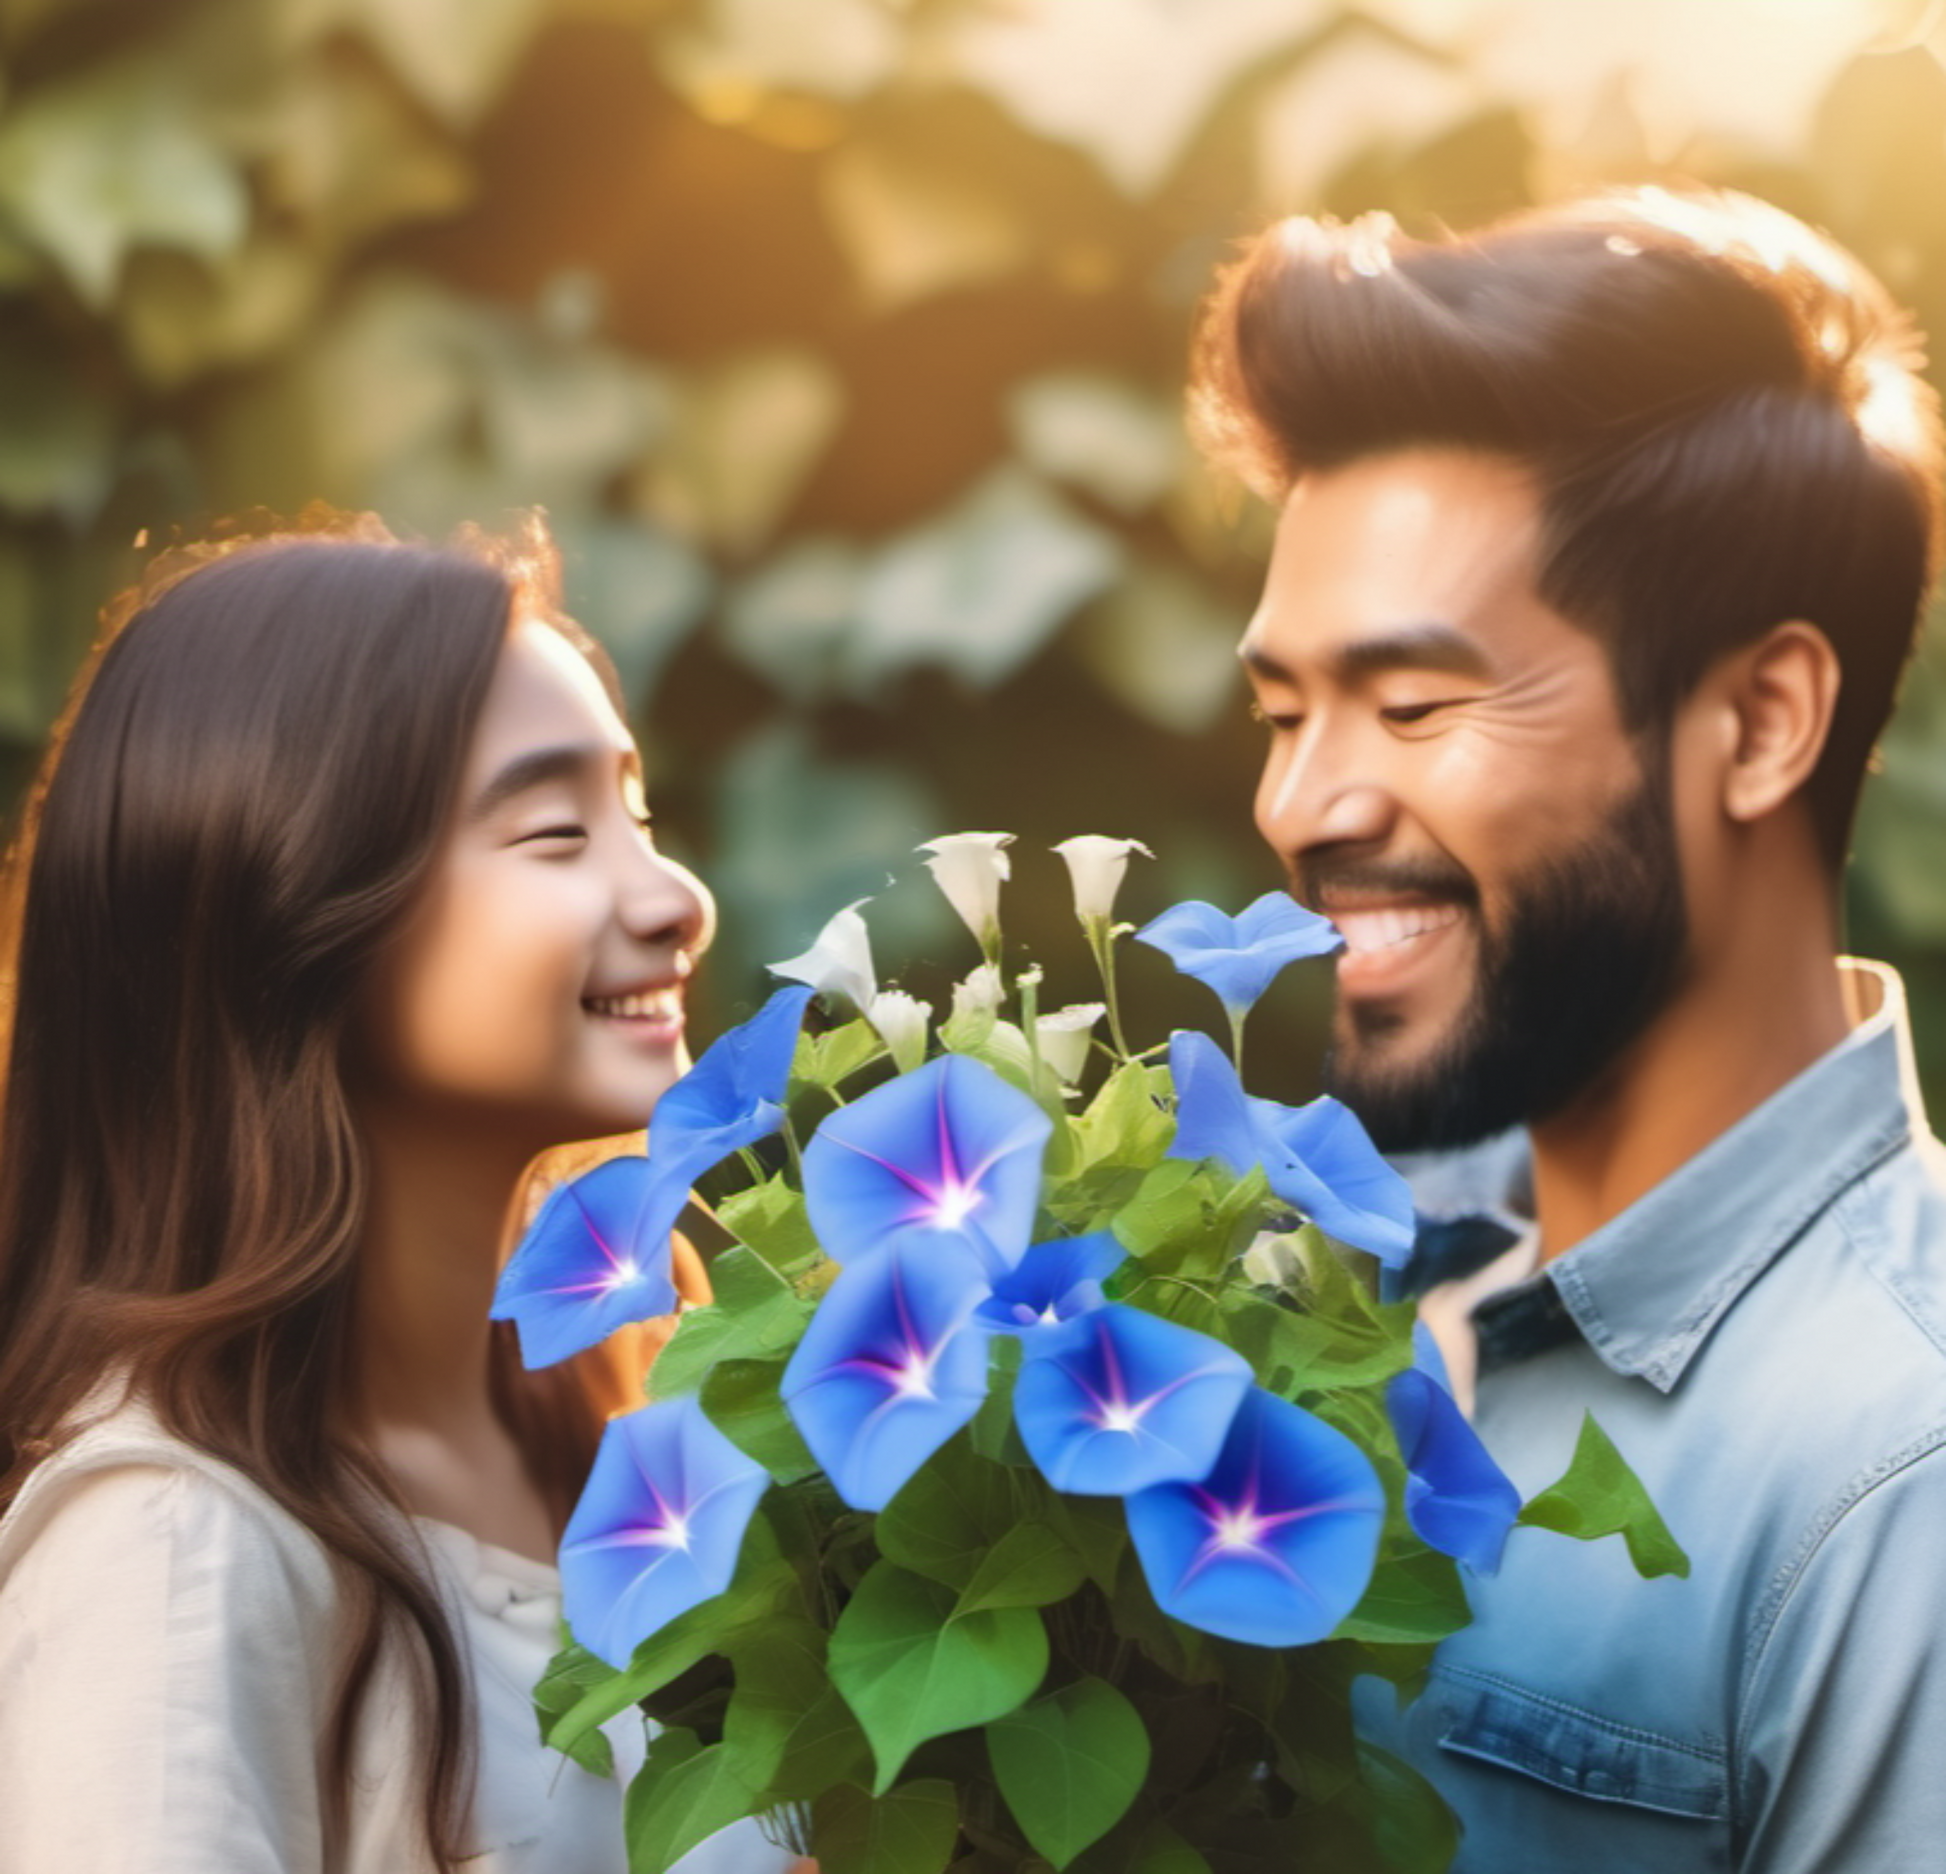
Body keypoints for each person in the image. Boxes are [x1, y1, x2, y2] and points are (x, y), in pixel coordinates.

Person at [1192, 189, 1946, 1870]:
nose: (1300, 800)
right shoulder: (1314, 1292)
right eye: (1278, 708)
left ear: (1756, 725)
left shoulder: (1902, 1464)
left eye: (1410, 705)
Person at [0, 516, 801, 1873]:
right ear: (290, 903)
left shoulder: (646, 1438)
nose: (678, 898)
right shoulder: (175, 1548)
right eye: (557, 830)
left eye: (641, 814)